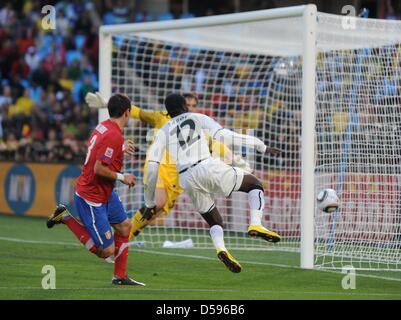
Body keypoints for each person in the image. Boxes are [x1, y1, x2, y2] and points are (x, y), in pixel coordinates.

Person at [84, 91, 252, 240]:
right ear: (182, 106)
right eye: (189, 105)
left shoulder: (197, 125)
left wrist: (237, 160)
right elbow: (140, 113)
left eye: (194, 106)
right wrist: (108, 103)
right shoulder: (162, 117)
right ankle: (121, 238)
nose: (191, 108)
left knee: (156, 210)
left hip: (177, 177)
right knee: (158, 203)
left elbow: (217, 145)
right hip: (158, 167)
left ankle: (124, 236)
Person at [143, 93, 281, 273]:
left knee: (214, 219)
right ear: (185, 106)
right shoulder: (197, 117)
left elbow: (152, 169)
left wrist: (149, 203)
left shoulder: (162, 131)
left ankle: (221, 249)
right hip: (206, 166)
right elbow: (225, 135)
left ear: (168, 113)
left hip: (186, 179)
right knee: (254, 184)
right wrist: (260, 146)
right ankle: (256, 222)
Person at [46, 94, 145, 286]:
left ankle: (119, 276)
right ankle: (65, 216)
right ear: (127, 113)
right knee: (106, 251)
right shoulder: (113, 134)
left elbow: (98, 152)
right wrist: (123, 177)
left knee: (125, 226)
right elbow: (98, 168)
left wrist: (121, 148)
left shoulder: (105, 127)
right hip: (92, 197)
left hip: (105, 193)